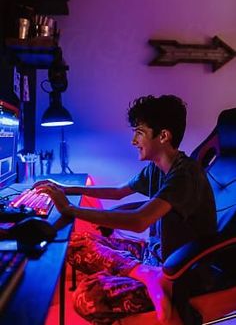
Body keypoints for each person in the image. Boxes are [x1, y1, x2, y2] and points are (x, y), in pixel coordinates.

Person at [35, 95, 217, 325]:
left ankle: (148, 276)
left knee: (87, 297)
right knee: (74, 243)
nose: (133, 141)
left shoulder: (185, 175)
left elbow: (140, 220)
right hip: (153, 257)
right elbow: (119, 191)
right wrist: (66, 188)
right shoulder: (157, 168)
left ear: (163, 136)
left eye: (139, 132)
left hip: (181, 272)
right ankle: (143, 273)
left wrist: (71, 210)